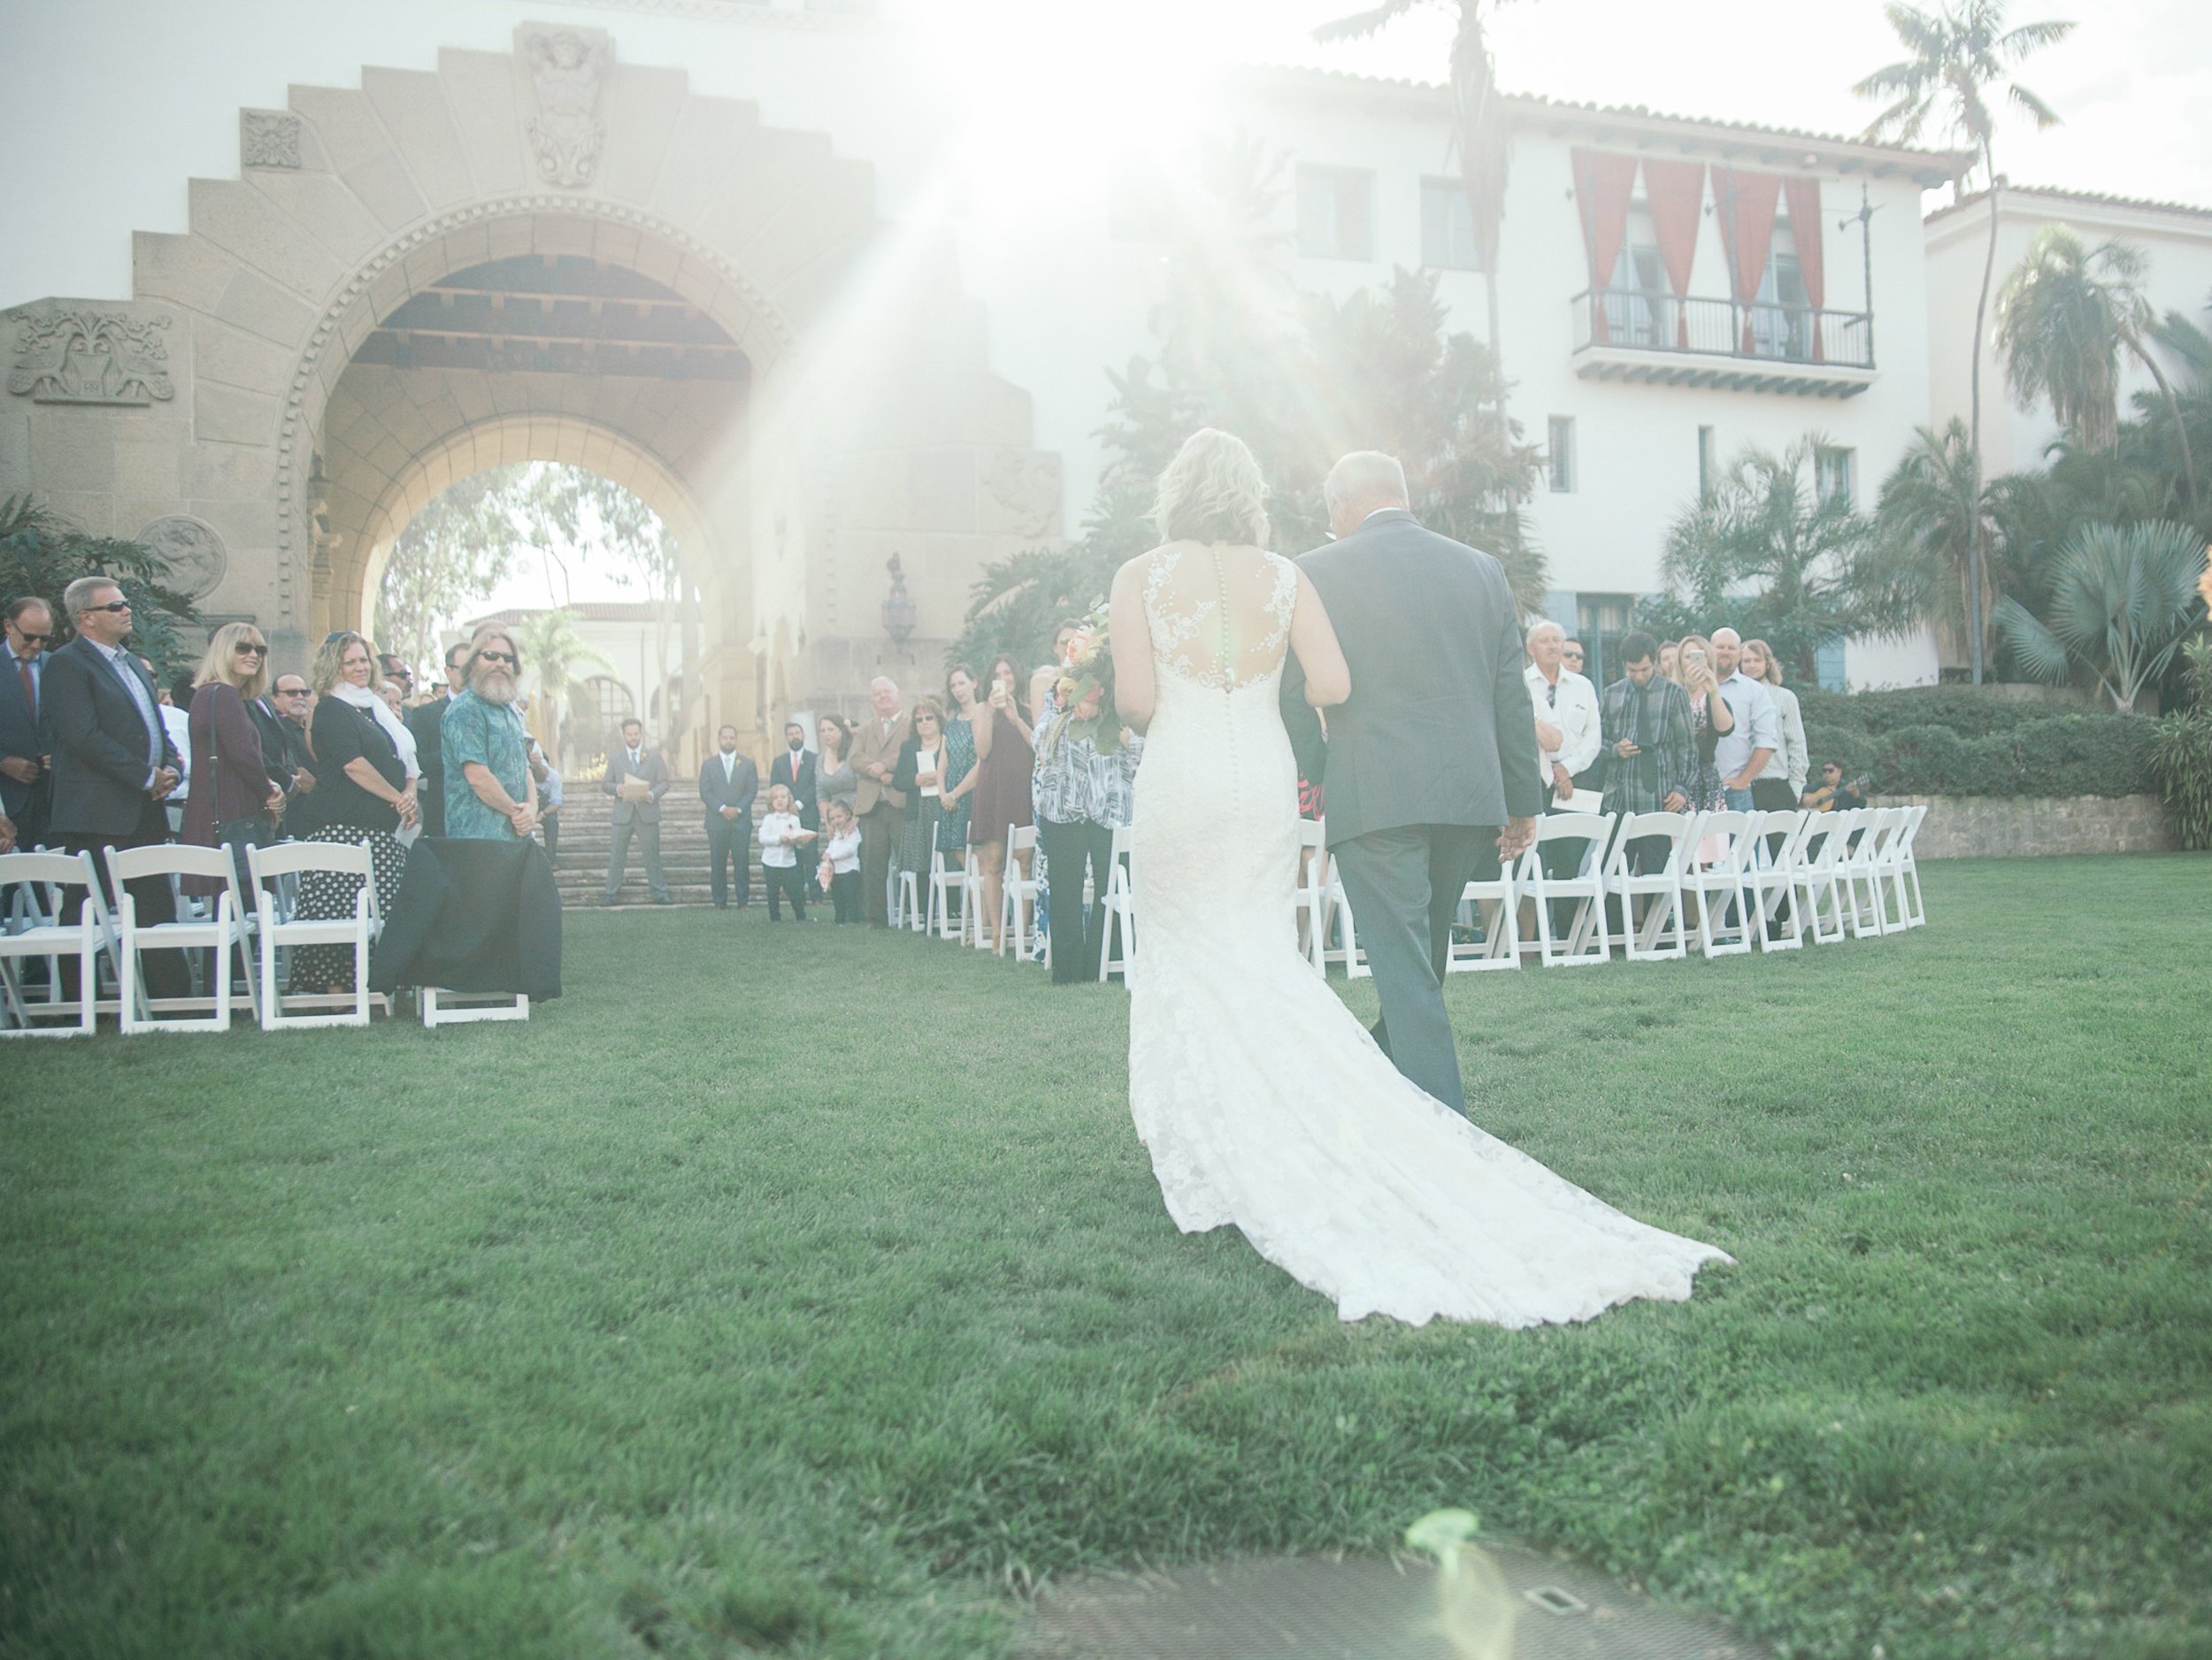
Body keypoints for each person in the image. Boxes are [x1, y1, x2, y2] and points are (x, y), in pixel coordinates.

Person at [1112, 431, 1725, 1329]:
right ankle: (1349, 1094)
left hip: (1274, 788)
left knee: (1371, 973)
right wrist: (1522, 798)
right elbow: (1488, 692)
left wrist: (1314, 756)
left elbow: (1197, 698)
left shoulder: (1240, 570)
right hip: (1419, 799)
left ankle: (1436, 1142)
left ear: (1342, 502)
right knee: (1389, 972)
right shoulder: (1452, 569)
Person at [42, 578, 188, 998]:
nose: (127, 610)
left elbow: (154, 727)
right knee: (84, 908)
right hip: (95, 811)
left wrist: (169, 767)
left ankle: (171, 999)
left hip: (145, 806)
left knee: (156, 904)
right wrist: (145, 775)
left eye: (125, 603)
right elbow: (83, 736)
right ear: (86, 618)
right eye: (115, 606)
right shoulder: (67, 664)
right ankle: (77, 1003)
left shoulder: (130, 664)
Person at [292, 630, 413, 994]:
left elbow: (401, 760)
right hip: (342, 827)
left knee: (382, 913)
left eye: (363, 660)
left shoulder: (373, 709)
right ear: (334, 667)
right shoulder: (331, 708)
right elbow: (353, 765)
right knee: (339, 911)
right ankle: (337, 995)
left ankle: (376, 987)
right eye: (350, 662)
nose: (359, 667)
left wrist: (409, 792)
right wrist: (397, 797)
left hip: (380, 830)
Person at [1032, 641, 1141, 983]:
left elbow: (1143, 750)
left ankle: (1104, 966)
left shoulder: (1122, 703)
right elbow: (1039, 743)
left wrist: (1116, 728)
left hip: (1111, 808)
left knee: (1113, 891)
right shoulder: (1057, 699)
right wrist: (1069, 712)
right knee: (1065, 892)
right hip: (1063, 807)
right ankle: (1068, 972)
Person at [180, 623, 283, 895]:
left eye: (260, 649)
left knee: (229, 908)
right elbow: (244, 755)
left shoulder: (212, 694)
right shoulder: (222, 694)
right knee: (244, 907)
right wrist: (269, 792)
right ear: (223, 651)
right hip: (232, 812)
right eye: (243, 648)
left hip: (219, 811)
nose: (254, 655)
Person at [440, 629, 538, 842]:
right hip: (478, 840)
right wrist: (516, 813)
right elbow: (478, 777)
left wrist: (531, 811)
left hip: (516, 837)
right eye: (491, 656)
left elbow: (526, 770)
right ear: (473, 662)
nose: (501, 663)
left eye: (508, 658)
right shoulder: (465, 710)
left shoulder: (510, 712)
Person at [965, 652, 1034, 950]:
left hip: (1022, 789)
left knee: (1024, 861)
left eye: (1008, 673)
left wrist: (1014, 717)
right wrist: (993, 714)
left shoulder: (1029, 709)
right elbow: (982, 751)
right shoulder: (982, 709)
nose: (1004, 679)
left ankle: (1022, 930)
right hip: (993, 790)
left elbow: (1037, 745)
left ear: (1017, 676)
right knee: (992, 863)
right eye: (998, 674)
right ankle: (996, 934)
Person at [849, 678, 909, 926]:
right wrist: (875, 771)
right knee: (873, 865)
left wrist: (886, 765)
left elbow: (909, 752)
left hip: (900, 803)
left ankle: (910, 914)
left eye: (887, 692)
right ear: (872, 701)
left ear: (897, 695)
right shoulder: (864, 729)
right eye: (877, 694)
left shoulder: (910, 725)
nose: (882, 696)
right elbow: (854, 758)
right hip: (871, 807)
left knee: (907, 862)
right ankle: (876, 918)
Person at [2, 596, 55, 849]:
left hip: (52, 802)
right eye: (29, 637)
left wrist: (61, 753)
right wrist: (2, 762)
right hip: (7, 800)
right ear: (8, 626)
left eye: (44, 639)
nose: (36, 645)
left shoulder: (57, 666)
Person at [602, 715, 672, 904]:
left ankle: (659, 892)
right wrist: (618, 788)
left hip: (647, 813)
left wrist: (652, 794)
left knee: (652, 855)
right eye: (629, 734)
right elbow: (606, 784)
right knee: (617, 855)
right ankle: (611, 893)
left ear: (641, 734)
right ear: (623, 735)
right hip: (623, 814)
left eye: (636, 734)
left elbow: (665, 783)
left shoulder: (654, 757)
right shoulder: (616, 759)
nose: (633, 737)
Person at [1709, 627, 1778, 812]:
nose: (1725, 651)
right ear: (1709, 649)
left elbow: (1766, 741)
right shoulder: (1694, 686)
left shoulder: (1754, 691)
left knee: (1740, 842)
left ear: (1739, 654)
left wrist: (1744, 779)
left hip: (1734, 790)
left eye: (1731, 648)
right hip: (1695, 790)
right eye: (1720, 646)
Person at [1739, 637, 1809, 814]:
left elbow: (1797, 744)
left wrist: (1796, 787)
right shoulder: (1733, 698)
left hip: (1775, 786)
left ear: (1767, 664)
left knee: (1782, 842)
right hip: (1742, 787)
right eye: (1746, 661)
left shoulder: (1785, 698)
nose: (1751, 665)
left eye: (1757, 660)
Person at [407, 642, 468, 837]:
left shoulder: (494, 713)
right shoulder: (426, 714)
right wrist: (457, 753)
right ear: (448, 671)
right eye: (465, 668)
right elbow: (418, 762)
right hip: (442, 814)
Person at [1671, 634, 1732, 818]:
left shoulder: (1714, 697)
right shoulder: (1670, 694)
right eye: (1688, 656)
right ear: (1680, 661)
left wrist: (1713, 693)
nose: (1693, 661)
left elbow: (1726, 728)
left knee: (1713, 841)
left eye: (1699, 655)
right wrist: (1688, 692)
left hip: (1707, 777)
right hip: (1676, 779)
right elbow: (1670, 731)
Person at [699, 722, 759, 908]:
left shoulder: (748, 764)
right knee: (718, 863)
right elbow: (705, 791)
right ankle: (719, 901)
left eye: (732, 737)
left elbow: (751, 790)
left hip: (741, 822)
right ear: (718, 739)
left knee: (742, 863)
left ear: (736, 740)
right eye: (725, 737)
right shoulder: (708, 765)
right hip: (717, 822)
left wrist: (738, 809)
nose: (728, 741)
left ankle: (743, 901)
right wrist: (722, 808)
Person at [894, 696, 949, 893]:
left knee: (948, 862)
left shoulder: (948, 742)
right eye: (920, 719)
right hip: (918, 813)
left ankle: (951, 911)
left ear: (938, 719)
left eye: (929, 717)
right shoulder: (908, 747)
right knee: (921, 865)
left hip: (944, 809)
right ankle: (927, 918)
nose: (924, 722)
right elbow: (897, 780)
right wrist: (915, 779)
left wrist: (941, 775)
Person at [935, 665, 981, 869]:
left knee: (981, 861)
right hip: (950, 802)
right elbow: (942, 765)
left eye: (962, 683)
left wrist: (956, 794)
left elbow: (982, 762)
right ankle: (974, 901)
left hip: (974, 793)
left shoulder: (984, 716)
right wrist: (944, 795)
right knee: (965, 863)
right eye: (953, 686)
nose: (958, 689)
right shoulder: (951, 724)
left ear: (974, 683)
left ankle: (985, 902)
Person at [756, 783, 815, 920]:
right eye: (776, 797)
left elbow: (798, 841)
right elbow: (763, 839)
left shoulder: (794, 819)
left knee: (794, 891)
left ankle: (801, 915)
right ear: (771, 802)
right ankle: (775, 917)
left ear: (789, 800)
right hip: (771, 861)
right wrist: (779, 839)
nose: (780, 800)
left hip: (788, 862)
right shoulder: (768, 819)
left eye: (783, 797)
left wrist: (800, 842)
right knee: (772, 891)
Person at [818, 798, 863, 923]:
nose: (836, 821)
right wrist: (827, 853)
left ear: (847, 815)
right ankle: (839, 919)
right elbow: (832, 846)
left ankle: (853, 919)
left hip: (850, 871)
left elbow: (850, 850)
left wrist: (832, 856)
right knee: (837, 897)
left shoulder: (853, 832)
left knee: (850, 897)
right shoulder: (836, 834)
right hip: (836, 872)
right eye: (832, 819)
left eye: (839, 817)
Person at [531, 741, 563, 857]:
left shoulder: (554, 777)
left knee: (552, 821)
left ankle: (551, 857)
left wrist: (542, 814)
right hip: (526, 806)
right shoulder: (525, 774)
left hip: (545, 808)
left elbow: (557, 803)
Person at [1802, 761, 1867, 813]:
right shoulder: (1816, 786)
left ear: (1839, 772)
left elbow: (1862, 806)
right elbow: (1803, 793)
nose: (1827, 773)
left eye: (1830, 771)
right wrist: (1806, 799)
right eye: (1824, 770)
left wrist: (1856, 794)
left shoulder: (1847, 787)